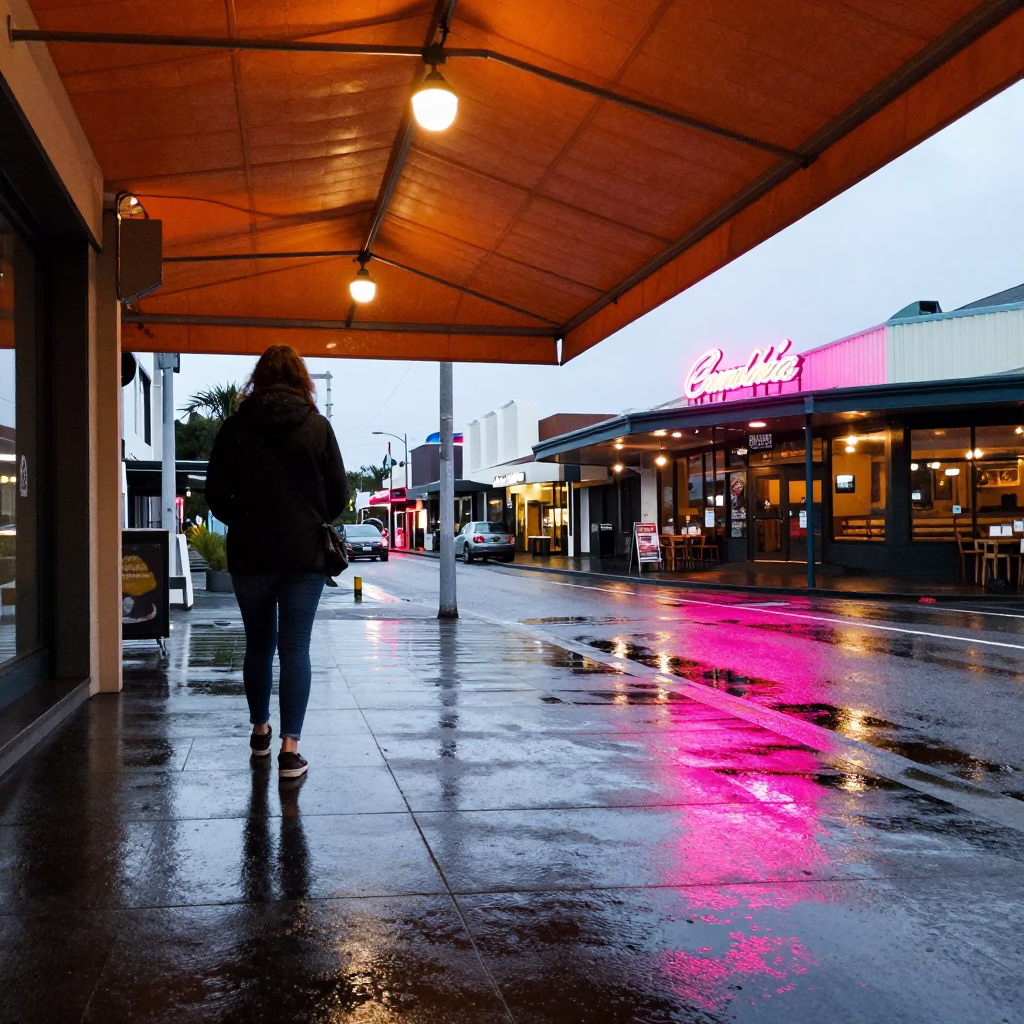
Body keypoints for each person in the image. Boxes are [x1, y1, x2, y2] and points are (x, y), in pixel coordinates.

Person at [206, 345, 346, 778]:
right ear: (301, 378)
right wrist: (310, 517)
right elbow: (338, 494)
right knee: (295, 647)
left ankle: (260, 731)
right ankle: (290, 750)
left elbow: (215, 495)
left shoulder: (234, 428)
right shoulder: (317, 427)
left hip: (251, 555)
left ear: (259, 378)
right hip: (304, 554)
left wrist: (246, 520)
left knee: (259, 645)